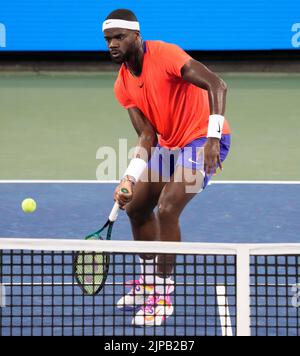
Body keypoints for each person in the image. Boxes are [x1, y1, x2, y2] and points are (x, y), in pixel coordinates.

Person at [102, 9, 231, 327]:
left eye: (119, 37)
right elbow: (147, 135)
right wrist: (129, 178)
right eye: (108, 40)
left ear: (136, 35)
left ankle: (162, 292)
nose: (113, 45)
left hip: (203, 140)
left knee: (168, 207)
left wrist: (212, 138)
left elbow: (217, 84)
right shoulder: (123, 86)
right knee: (136, 206)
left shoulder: (166, 54)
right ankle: (147, 281)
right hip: (170, 146)